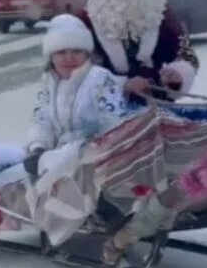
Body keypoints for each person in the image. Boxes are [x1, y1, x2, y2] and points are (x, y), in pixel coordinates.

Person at [74, 0, 200, 102]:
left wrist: (177, 73)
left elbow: (185, 54)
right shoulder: (86, 18)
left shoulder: (160, 11)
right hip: (104, 106)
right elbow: (75, 70)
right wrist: (121, 85)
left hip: (156, 101)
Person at [25, 13, 130, 159]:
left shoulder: (100, 79)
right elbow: (42, 120)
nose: (69, 58)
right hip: (58, 156)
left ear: (87, 54)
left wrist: (82, 148)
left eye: (76, 51)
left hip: (97, 157)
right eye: (61, 52)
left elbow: (115, 125)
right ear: (51, 56)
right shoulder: (48, 81)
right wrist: (38, 148)